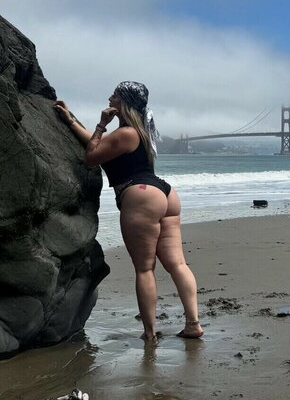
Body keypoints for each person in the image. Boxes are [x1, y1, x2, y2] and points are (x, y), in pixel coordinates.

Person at [54, 81, 203, 344]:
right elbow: (99, 145)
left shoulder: (125, 133)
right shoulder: (140, 131)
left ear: (123, 101)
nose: (109, 97)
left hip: (140, 195)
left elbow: (91, 157)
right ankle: (193, 324)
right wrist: (71, 119)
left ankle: (150, 333)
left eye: (114, 94)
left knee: (145, 269)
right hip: (165, 195)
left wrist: (102, 123)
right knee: (178, 265)